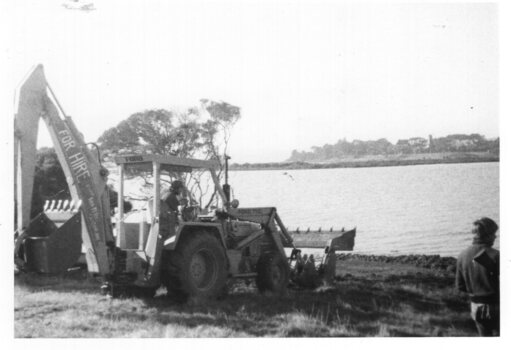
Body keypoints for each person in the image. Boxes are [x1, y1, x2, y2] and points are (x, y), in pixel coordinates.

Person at [456, 217, 499, 336]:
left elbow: (460, 286)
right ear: (486, 235)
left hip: (475, 306)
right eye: (493, 234)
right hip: (496, 306)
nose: (495, 237)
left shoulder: (462, 256)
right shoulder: (496, 255)